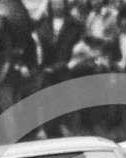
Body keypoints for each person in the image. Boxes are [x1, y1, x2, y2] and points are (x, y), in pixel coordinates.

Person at [37, 0, 84, 136]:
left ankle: (66, 126)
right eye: (54, 4)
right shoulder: (44, 24)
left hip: (67, 66)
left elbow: (79, 48)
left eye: (60, 3)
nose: (57, 7)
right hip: (47, 67)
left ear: (65, 5)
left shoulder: (75, 24)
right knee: (44, 92)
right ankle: (45, 128)